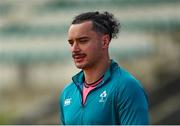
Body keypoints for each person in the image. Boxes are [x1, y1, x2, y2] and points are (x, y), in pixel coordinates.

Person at [59, 11, 149, 125]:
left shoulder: (126, 87)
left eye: (83, 41)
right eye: (71, 43)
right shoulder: (67, 92)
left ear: (104, 41)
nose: (74, 49)